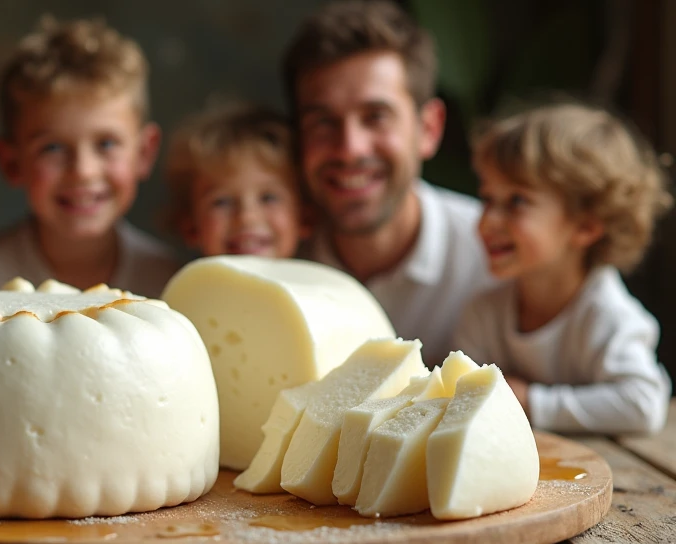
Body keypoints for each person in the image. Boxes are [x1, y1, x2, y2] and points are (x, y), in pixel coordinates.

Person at [285, 0, 495, 365]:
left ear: (429, 129)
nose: (349, 149)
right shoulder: (279, 256)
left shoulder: (494, 258)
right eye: (323, 122)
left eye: (376, 117)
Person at [454, 102, 672, 435]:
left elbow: (643, 404)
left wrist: (530, 401)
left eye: (516, 201)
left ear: (586, 226)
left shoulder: (607, 315)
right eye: (487, 198)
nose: (487, 222)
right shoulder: (484, 313)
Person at [0, 17, 179, 298]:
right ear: (11, 163)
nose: (83, 171)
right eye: (52, 148)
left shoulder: (168, 282)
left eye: (106, 144)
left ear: (144, 153)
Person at [164, 102, 308, 258]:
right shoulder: (172, 282)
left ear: (305, 216)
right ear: (190, 227)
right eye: (222, 202)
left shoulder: (329, 281)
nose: (247, 217)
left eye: (268, 198)